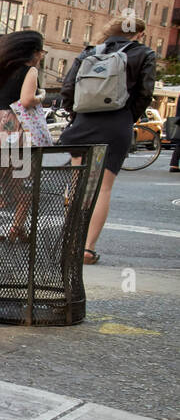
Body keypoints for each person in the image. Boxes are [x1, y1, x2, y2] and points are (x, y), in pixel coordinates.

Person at [59, 16, 156, 264]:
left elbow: (68, 88)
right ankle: (88, 249)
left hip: (83, 123)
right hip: (116, 123)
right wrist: (127, 117)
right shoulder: (144, 54)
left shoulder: (89, 52)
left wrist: (76, 114)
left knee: (77, 183)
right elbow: (145, 93)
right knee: (103, 187)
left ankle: (70, 242)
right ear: (139, 34)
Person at [0, 29, 45, 241]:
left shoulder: (1, 71)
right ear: (34, 52)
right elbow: (25, 101)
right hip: (17, 128)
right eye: (42, 52)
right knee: (23, 181)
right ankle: (17, 228)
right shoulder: (30, 71)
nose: (41, 56)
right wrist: (41, 96)